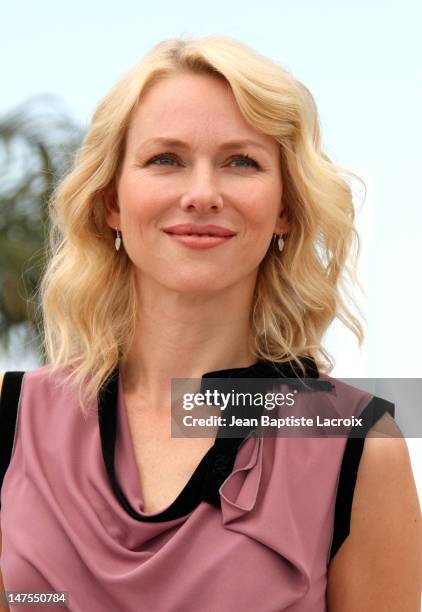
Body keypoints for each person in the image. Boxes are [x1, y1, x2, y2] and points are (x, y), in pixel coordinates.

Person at [0, 34, 421, 612]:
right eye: (165, 159)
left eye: (240, 162)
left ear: (285, 211)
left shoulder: (358, 448)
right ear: (111, 202)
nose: (202, 194)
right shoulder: (11, 421)